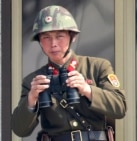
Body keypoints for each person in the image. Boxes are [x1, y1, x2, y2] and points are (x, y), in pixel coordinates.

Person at [11, 5, 127, 141]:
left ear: (73, 37)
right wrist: (31, 100)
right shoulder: (33, 80)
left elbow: (120, 107)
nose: (53, 43)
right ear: (39, 41)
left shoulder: (97, 67)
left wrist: (88, 90)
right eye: (46, 37)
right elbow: (20, 130)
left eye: (59, 36)